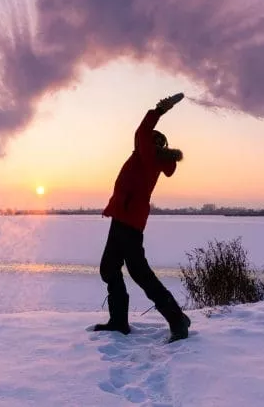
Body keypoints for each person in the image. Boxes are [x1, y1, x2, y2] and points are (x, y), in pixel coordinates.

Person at [93, 93, 191, 343]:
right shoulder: (148, 159)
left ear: (153, 144)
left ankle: (176, 319)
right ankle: (119, 321)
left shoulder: (147, 156)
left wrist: (159, 110)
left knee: (138, 273)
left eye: (146, 141)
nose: (139, 142)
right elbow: (142, 134)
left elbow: (142, 129)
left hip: (127, 222)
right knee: (111, 268)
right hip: (124, 220)